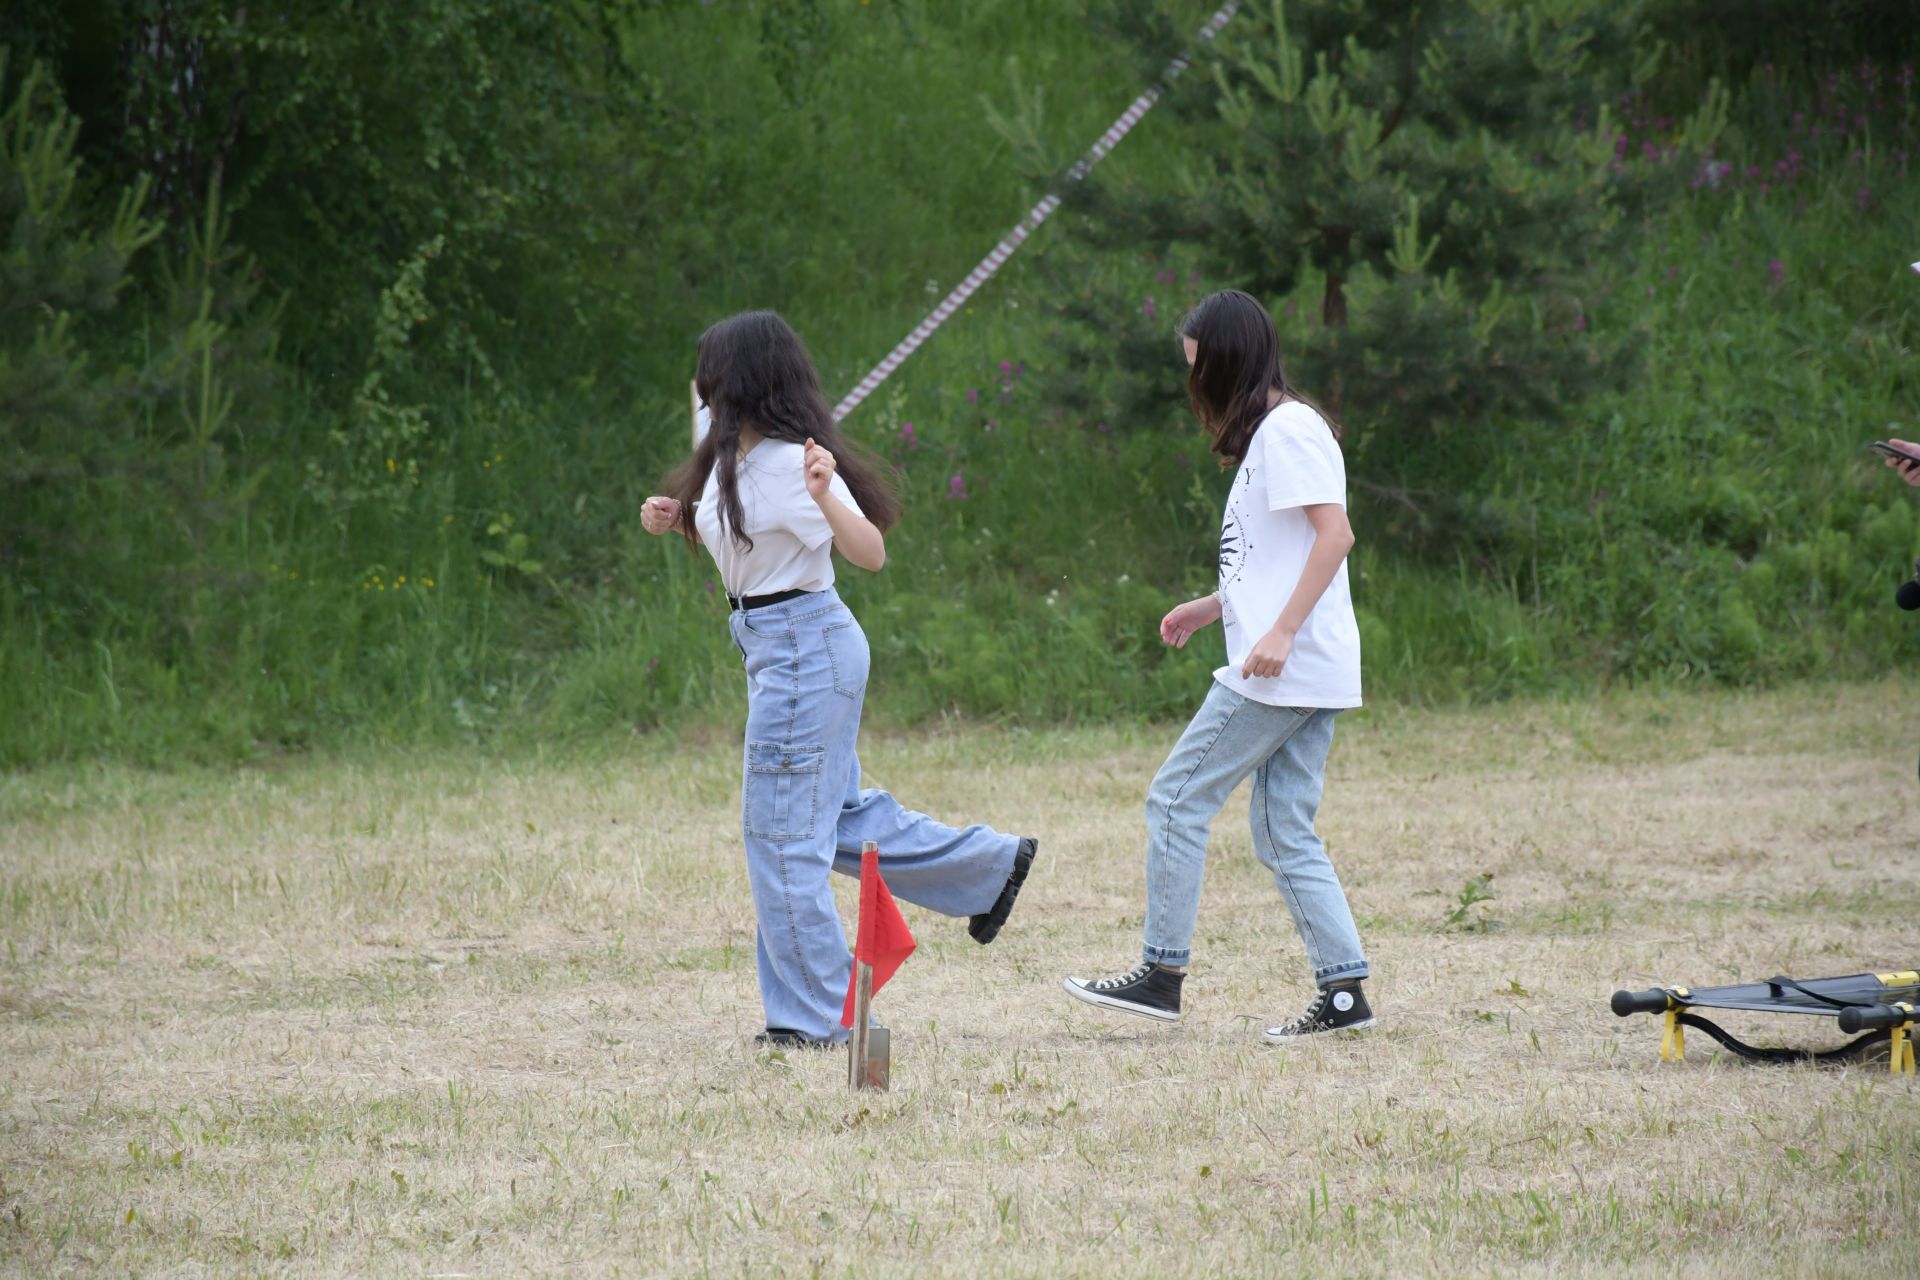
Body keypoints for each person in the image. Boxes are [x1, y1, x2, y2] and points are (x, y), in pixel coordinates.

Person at [641, 311, 1036, 1049]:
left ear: (741, 384)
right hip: (781, 649)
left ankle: (819, 1021)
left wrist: (826, 493)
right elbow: (748, 542)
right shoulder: (733, 458)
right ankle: (988, 868)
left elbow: (870, 553)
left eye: (711, 375)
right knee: (833, 820)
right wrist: (680, 519)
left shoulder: (795, 465)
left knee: (782, 836)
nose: (701, 387)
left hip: (804, 650)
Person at [1061, 289, 1373, 1042]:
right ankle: (1343, 993)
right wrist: (1216, 606)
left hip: (1285, 669)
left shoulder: (1290, 430)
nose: (1192, 382)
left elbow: (1336, 538)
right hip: (1302, 665)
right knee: (1282, 832)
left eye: (1197, 367)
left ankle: (1161, 976)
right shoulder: (1276, 433)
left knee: (1175, 800)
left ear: (1228, 362)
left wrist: (1281, 634)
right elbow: (1279, 553)